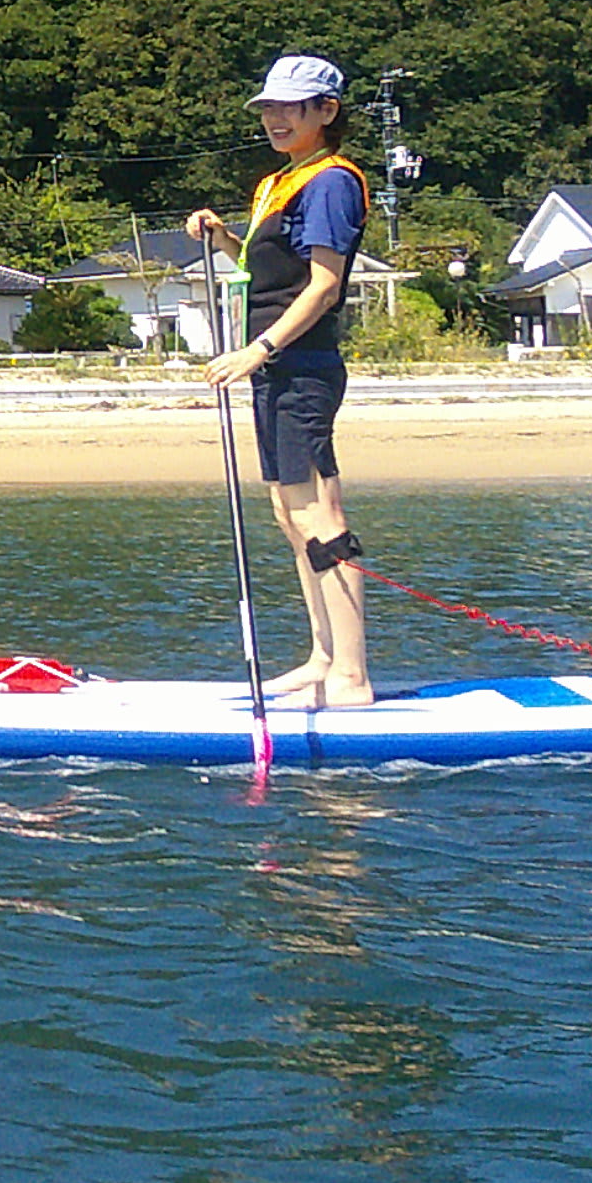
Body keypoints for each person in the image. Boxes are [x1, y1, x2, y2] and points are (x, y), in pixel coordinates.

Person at [187, 54, 376, 707]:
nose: (276, 118)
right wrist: (220, 237)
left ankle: (350, 674)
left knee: (320, 515)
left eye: (291, 107)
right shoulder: (282, 181)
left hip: (300, 365)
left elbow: (324, 286)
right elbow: (261, 267)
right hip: (277, 368)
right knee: (289, 513)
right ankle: (322, 657)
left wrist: (257, 350)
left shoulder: (331, 182)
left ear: (327, 112)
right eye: (268, 107)